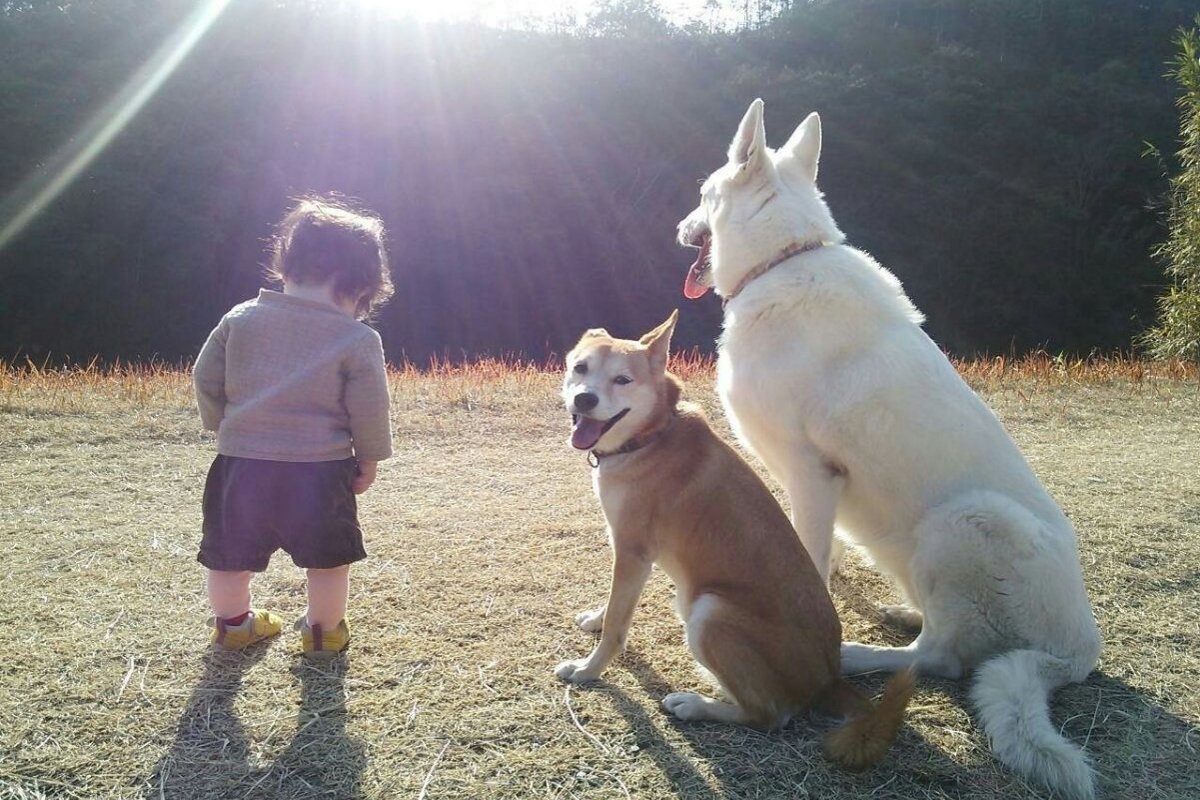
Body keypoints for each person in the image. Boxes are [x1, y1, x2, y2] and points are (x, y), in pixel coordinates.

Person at [192, 194, 393, 658]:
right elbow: (369, 407)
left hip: (241, 463)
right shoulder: (357, 338)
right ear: (361, 286)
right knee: (328, 558)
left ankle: (234, 625)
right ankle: (323, 633)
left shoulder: (240, 319)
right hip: (320, 472)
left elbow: (205, 376)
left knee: (229, 553)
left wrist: (222, 423)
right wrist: (369, 458)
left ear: (285, 266)